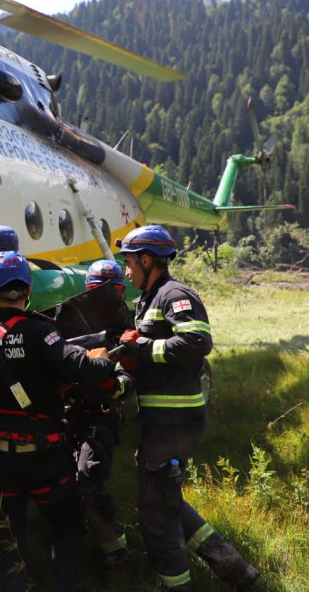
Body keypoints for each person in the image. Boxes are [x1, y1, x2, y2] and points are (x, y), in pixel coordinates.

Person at [0, 250, 125, 592]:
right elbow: (83, 369)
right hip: (45, 458)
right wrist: (104, 358)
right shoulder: (40, 333)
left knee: (8, 535)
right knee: (67, 525)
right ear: (28, 291)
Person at [115, 225, 259, 590]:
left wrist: (143, 349)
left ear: (147, 260)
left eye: (129, 263)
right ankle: (234, 569)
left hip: (174, 421)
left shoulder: (174, 294)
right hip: (163, 421)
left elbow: (197, 342)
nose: (126, 271)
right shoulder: (149, 298)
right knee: (166, 499)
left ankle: (178, 585)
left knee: (155, 514)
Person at [66, 259, 133, 581]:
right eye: (97, 291)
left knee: (87, 477)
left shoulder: (130, 332)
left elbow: (127, 385)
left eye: (113, 291)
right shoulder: (72, 323)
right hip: (65, 415)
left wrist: (107, 378)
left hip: (100, 415)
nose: (106, 298)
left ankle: (117, 554)